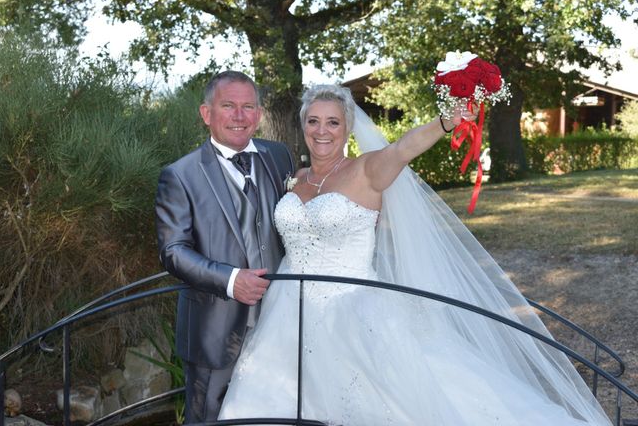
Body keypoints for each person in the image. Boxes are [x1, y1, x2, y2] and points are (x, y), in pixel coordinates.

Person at [218, 84, 612, 425]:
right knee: (272, 398)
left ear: (348, 127)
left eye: (333, 122)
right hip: (286, 309)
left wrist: (447, 121)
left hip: (349, 306)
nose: (322, 131)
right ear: (303, 125)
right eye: (314, 121)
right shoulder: (296, 178)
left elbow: (405, 147)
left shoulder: (369, 170)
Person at [154, 71, 294, 423]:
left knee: (276, 414)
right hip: (214, 329)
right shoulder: (180, 174)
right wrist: (232, 280)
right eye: (228, 106)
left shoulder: (279, 157)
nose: (239, 116)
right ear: (206, 113)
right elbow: (173, 250)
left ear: (259, 114)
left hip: (280, 322)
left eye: (248, 107)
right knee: (208, 417)